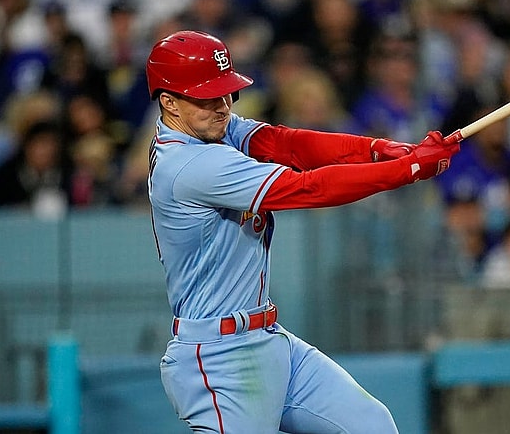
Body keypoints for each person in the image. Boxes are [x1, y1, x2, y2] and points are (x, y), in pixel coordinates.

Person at [145, 30, 461, 433]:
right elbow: (308, 188)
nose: (223, 106)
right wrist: (408, 169)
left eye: (226, 93)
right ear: (169, 102)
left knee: (372, 425)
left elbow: (287, 143)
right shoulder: (188, 165)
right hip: (218, 359)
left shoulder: (210, 127)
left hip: (268, 337)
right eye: (208, 97)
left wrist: (377, 149)